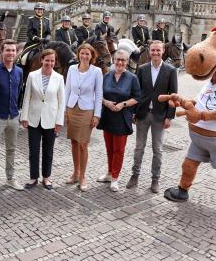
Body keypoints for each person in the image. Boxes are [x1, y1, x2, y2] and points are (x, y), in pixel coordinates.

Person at [126, 41, 178, 193]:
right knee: (139, 148)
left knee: (158, 150)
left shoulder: (170, 70)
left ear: (163, 51)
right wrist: (134, 112)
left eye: (158, 50)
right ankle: (135, 175)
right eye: (153, 50)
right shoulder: (142, 69)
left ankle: (155, 179)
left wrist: (169, 116)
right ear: (149, 52)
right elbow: (136, 92)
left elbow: (173, 96)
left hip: (159, 116)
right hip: (142, 114)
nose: (155, 53)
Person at [0, 39, 25, 195]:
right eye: (8, 50)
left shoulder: (19, 72)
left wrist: (19, 111)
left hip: (14, 116)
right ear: (2, 52)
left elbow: (19, 93)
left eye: (13, 51)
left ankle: (10, 178)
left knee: (11, 149)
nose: (11, 53)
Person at [20, 49, 65, 190]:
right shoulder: (32, 76)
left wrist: (59, 122)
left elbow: (61, 101)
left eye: (52, 60)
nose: (49, 63)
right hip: (33, 118)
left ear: (55, 62)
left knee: (48, 150)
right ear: (42, 60)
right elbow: (26, 97)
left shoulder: (59, 78)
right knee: (33, 149)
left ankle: (46, 177)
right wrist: (24, 116)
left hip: (51, 120)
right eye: (47, 60)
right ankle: (33, 177)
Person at [96, 49, 140, 191]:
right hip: (108, 117)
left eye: (123, 60)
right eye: (118, 59)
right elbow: (98, 95)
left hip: (122, 118)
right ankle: (109, 173)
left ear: (127, 62)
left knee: (118, 150)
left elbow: (137, 98)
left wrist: (123, 104)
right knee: (109, 149)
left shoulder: (132, 78)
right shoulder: (106, 76)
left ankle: (115, 178)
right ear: (114, 60)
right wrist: (106, 102)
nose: (120, 62)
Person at [64, 43, 103, 191]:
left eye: (87, 54)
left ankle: (83, 176)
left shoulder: (96, 72)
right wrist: (65, 111)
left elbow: (99, 94)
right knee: (74, 142)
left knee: (83, 144)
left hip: (87, 110)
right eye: (82, 53)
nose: (84, 56)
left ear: (92, 56)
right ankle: (75, 172)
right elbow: (67, 90)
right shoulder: (72, 69)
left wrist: (97, 115)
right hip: (72, 108)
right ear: (78, 54)